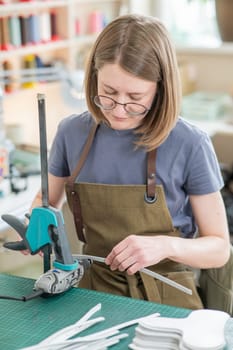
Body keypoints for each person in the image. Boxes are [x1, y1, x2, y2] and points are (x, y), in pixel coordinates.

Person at [32, 14, 230, 309]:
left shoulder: (190, 143)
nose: (120, 110)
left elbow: (219, 249)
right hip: (92, 293)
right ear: (93, 77)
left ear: (160, 89)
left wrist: (165, 245)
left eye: (135, 97)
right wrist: (36, 227)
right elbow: (45, 201)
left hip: (168, 296)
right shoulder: (71, 132)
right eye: (108, 94)